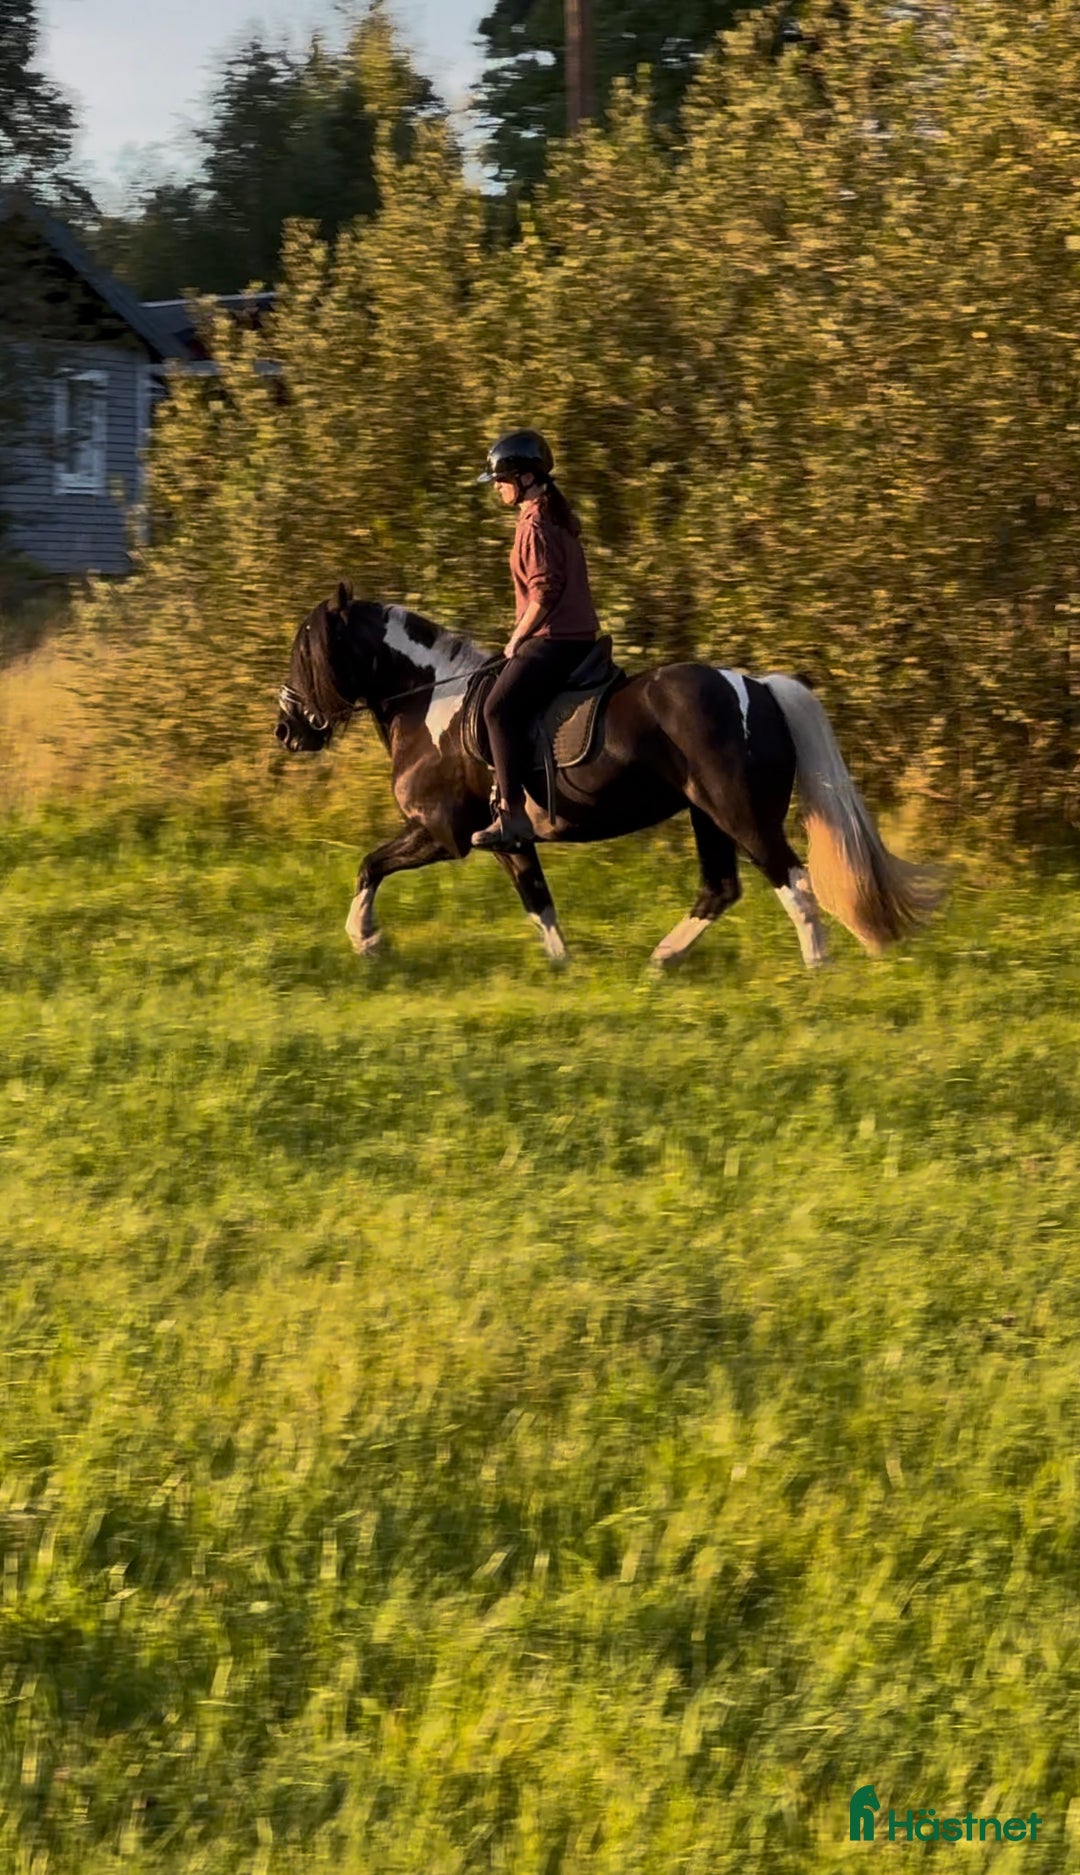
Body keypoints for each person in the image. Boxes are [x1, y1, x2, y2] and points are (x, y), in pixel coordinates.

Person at [471, 429, 600, 850]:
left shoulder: (535, 523)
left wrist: (516, 638)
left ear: (525, 478)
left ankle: (511, 815)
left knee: (496, 710)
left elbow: (544, 592)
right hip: (578, 638)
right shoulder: (557, 515)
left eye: (501, 481)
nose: (498, 490)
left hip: (553, 638)